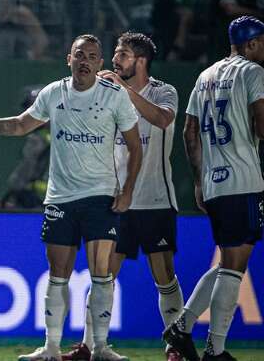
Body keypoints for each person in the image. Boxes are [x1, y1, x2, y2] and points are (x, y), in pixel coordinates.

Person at [0, 34, 142, 361]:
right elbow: (19, 126)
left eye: (91, 56)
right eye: (78, 55)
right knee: (59, 274)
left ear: (100, 63)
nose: (84, 60)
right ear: (68, 59)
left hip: (101, 197)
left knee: (102, 273)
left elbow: (135, 145)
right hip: (60, 199)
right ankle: (51, 348)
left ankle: (100, 347)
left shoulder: (114, 96)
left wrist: (127, 190)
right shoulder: (54, 93)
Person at [62, 32, 183, 361]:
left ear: (140, 61)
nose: (115, 60)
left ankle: (175, 345)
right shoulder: (107, 93)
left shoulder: (163, 91)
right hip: (116, 202)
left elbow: (162, 119)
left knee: (164, 277)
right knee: (102, 275)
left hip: (155, 199)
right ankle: (89, 346)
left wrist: (122, 88)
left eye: (123, 54)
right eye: (115, 54)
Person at [164, 16, 264, 361]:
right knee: (234, 266)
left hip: (215, 182)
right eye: (262, 42)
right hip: (243, 179)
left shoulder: (205, 76)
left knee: (228, 263)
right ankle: (214, 348)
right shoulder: (253, 73)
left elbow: (189, 132)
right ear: (251, 43)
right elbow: (262, 127)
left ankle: (182, 328)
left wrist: (198, 179)